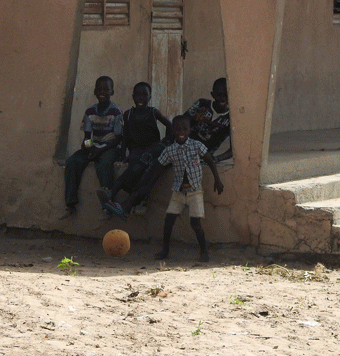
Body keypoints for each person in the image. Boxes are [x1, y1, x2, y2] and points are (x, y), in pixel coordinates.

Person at [106, 115, 224, 262]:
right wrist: (147, 187)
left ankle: (203, 252)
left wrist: (217, 180)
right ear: (173, 131)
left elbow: (210, 160)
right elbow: (158, 167)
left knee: (195, 223)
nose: (181, 132)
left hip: (195, 191)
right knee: (168, 221)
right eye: (178, 129)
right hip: (178, 191)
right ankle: (165, 251)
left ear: (190, 130)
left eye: (184, 129)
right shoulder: (170, 150)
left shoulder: (196, 145)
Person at [96, 82, 172, 218]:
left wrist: (165, 142)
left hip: (151, 148)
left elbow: (169, 125)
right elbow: (125, 136)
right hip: (136, 149)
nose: (141, 98)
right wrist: (122, 153)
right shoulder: (128, 114)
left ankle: (116, 194)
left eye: (144, 95)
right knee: (135, 162)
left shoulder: (153, 112)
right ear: (133, 97)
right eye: (138, 95)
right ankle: (117, 198)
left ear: (150, 97)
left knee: (141, 163)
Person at [58, 76, 123, 220]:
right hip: (95, 147)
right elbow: (87, 138)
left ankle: (107, 206)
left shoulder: (116, 112)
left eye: (106, 89)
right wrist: (90, 149)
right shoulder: (90, 112)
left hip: (110, 147)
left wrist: (99, 151)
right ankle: (70, 205)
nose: (102, 92)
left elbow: (118, 138)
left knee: (104, 165)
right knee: (72, 161)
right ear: (94, 91)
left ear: (112, 92)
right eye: (99, 89)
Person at [186, 77, 232, 162]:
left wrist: (216, 158)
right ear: (212, 95)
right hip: (184, 146)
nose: (223, 98)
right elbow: (183, 121)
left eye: (226, 95)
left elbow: (233, 150)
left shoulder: (230, 119)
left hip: (202, 155)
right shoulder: (202, 104)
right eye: (219, 95)